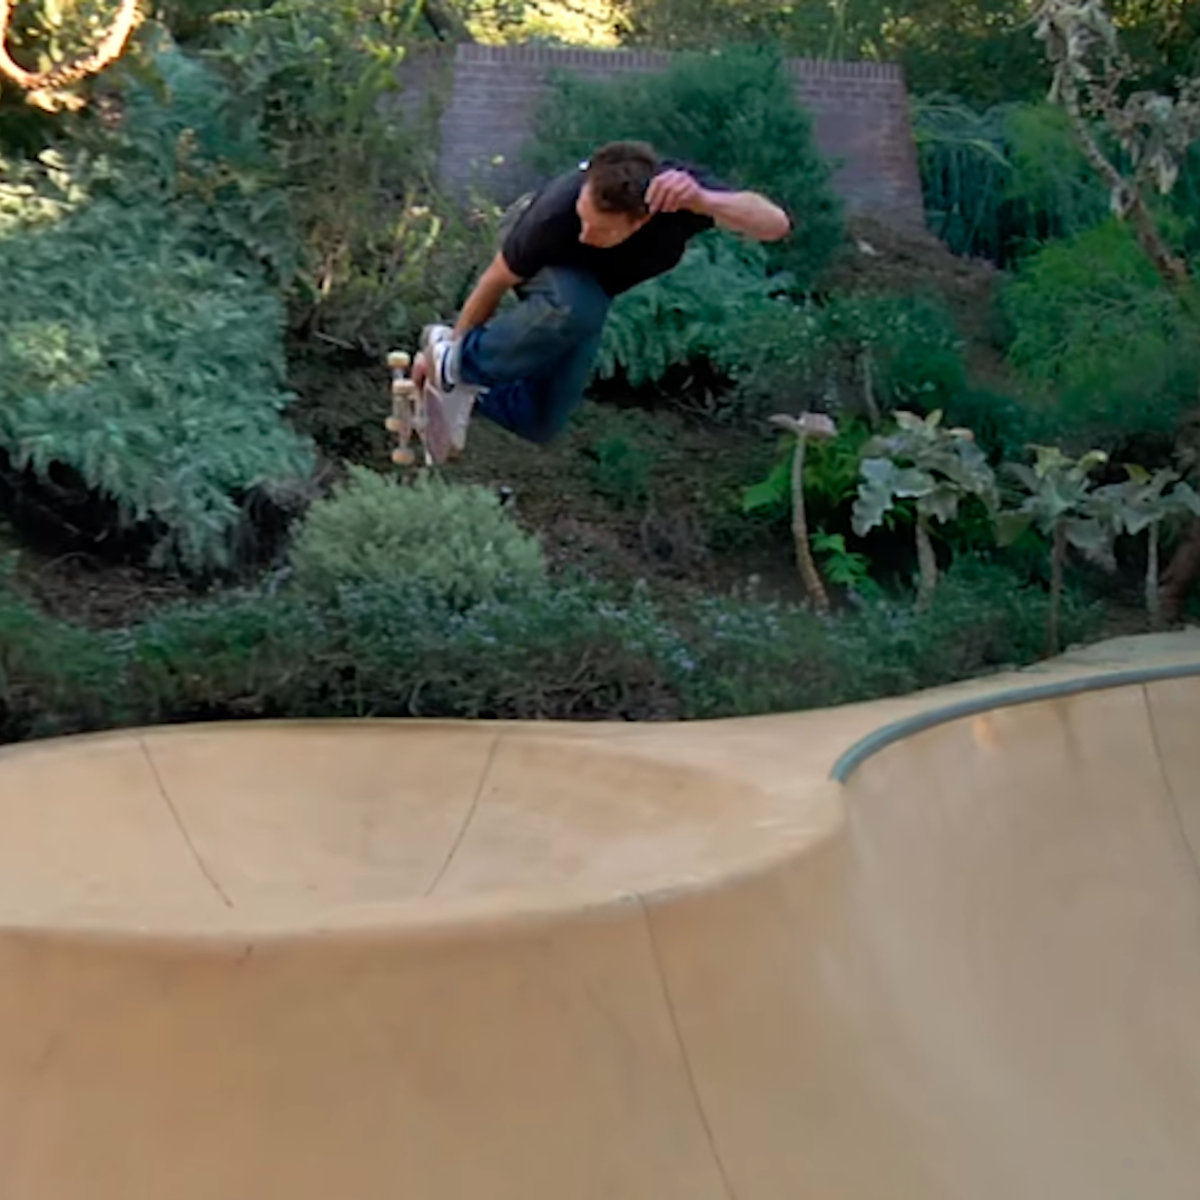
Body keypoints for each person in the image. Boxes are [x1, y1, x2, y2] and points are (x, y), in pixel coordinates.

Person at [411, 139, 793, 462]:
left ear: (640, 221)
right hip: (545, 262)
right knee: (578, 306)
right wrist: (455, 351)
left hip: (588, 292)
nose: (585, 233)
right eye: (585, 217)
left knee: (540, 419)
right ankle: (456, 365)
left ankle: (468, 389)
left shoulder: (676, 201)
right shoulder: (555, 216)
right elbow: (493, 281)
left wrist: (705, 199)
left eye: (601, 229)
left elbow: (775, 225)